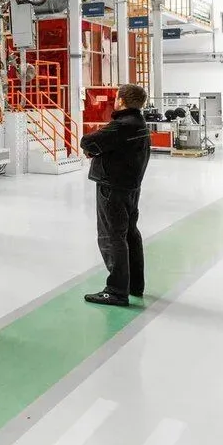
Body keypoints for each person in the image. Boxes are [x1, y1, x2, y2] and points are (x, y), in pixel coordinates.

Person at [79, 83, 152, 307]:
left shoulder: (122, 125)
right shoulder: (139, 123)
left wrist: (94, 149)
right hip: (130, 187)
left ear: (121, 100)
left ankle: (116, 291)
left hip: (113, 188)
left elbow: (88, 141)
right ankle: (134, 285)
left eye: (117, 97)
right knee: (129, 234)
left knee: (112, 237)